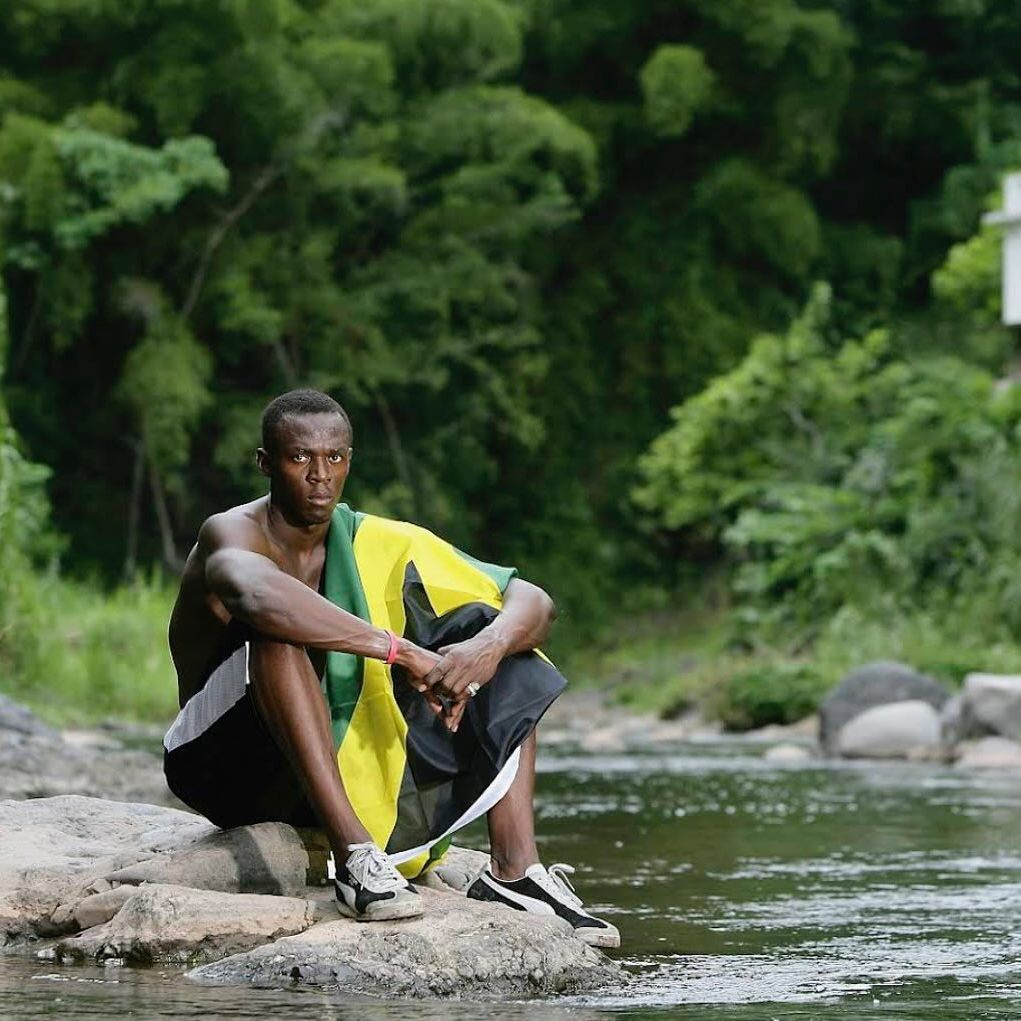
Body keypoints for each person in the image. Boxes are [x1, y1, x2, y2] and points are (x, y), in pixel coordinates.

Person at [163, 388, 619, 947]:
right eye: (299, 457)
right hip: (223, 764)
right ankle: (355, 858)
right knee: (276, 635)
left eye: (335, 458)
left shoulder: (373, 538)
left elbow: (533, 600)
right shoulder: (230, 533)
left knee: (492, 635)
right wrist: (401, 652)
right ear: (265, 463)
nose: (319, 475)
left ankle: (515, 873)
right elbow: (256, 596)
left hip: (323, 763)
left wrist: (485, 648)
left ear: (350, 461)